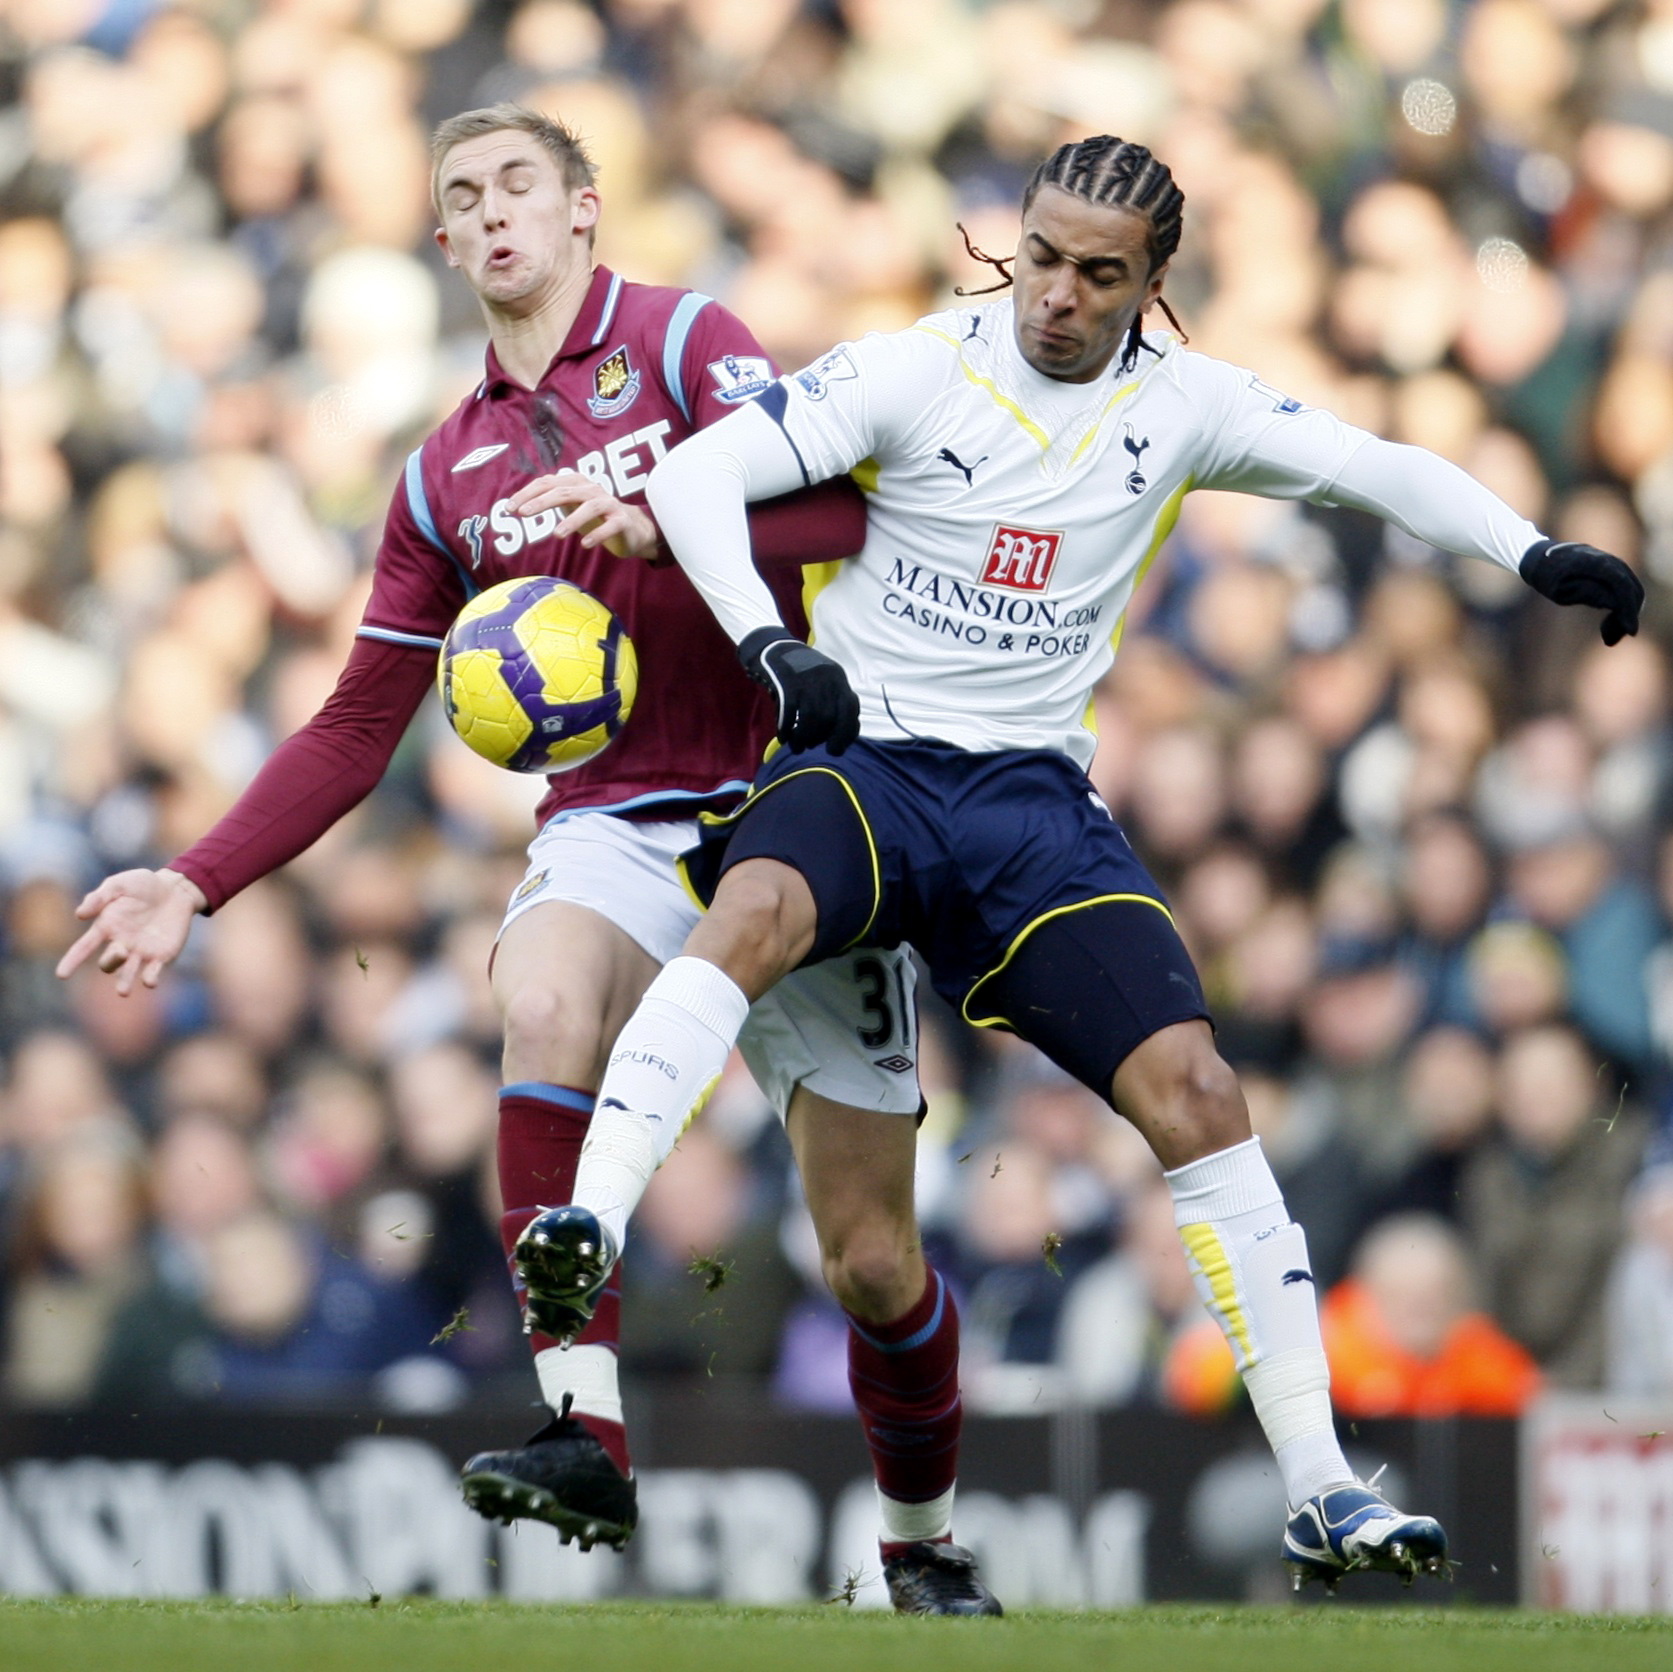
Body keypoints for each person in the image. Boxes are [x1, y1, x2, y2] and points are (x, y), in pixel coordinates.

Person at [526, 134, 1644, 1595]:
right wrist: (770, 645)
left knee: (1196, 1088)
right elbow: (697, 483)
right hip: (866, 761)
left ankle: (1319, 1484)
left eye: (1094, 274)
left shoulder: (1183, 408)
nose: (1054, 294)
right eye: (1039, 257)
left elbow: (1368, 467)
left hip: (1029, 810)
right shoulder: (918, 365)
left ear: (1150, 282)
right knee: (757, 907)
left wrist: (1529, 549)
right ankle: (589, 1221)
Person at [55, 104, 926, 1568]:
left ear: (585, 209)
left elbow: (840, 508)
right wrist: (194, 879)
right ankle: (583, 1431)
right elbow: (351, 728)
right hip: (614, 821)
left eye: (523, 181)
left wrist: (660, 509)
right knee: (535, 996)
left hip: (788, 801)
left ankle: (924, 1537)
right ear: (447, 239)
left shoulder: (683, 338)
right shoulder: (437, 477)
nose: (496, 208)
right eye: (466, 194)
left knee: (872, 1261)